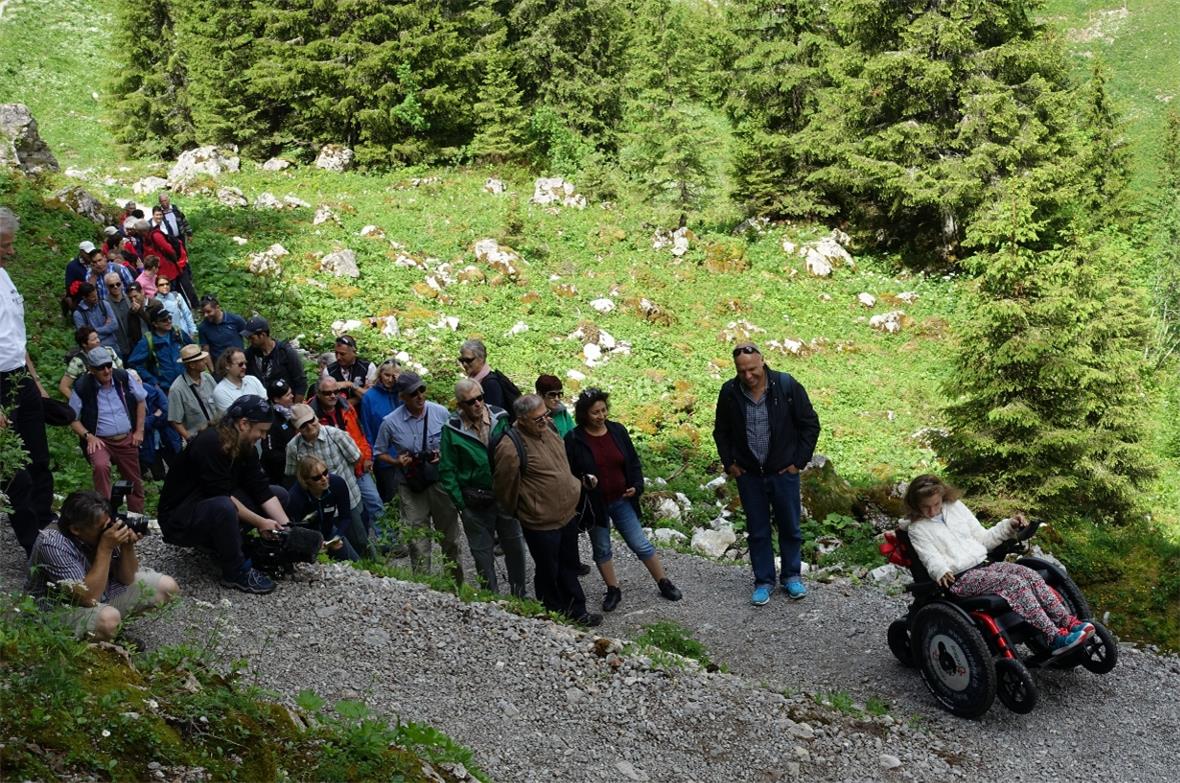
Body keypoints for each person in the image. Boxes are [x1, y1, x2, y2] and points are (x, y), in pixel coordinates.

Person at [902, 475, 1095, 655]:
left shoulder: (955, 507)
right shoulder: (917, 528)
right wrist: (940, 571)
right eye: (925, 507)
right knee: (1014, 584)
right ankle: (1054, 638)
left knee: (1029, 575)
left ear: (942, 496)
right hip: (960, 578)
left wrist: (1008, 526)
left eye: (936, 504)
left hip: (984, 565)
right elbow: (929, 556)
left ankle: (1068, 622)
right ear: (915, 505)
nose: (932, 511)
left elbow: (982, 538)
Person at [713, 342, 820, 606]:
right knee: (758, 531)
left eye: (752, 369)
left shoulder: (786, 386)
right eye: (742, 371)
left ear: (762, 361)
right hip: (749, 475)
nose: (748, 376)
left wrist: (799, 462)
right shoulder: (729, 392)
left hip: (783, 472)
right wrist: (730, 464)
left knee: (790, 527)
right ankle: (763, 581)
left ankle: (792, 577)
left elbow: (810, 424)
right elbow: (721, 431)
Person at [158, 395, 291, 594]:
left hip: (209, 505)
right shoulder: (211, 443)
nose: (263, 437)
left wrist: (287, 529)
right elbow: (223, 496)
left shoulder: (246, 447)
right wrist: (261, 522)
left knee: (279, 494)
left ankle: (224, 543)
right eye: (261, 431)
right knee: (225, 506)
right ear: (244, 424)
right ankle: (236, 571)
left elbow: (261, 490)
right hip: (179, 519)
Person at [566, 388, 682, 611]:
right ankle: (613, 589)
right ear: (584, 415)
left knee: (640, 543)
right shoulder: (574, 439)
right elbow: (568, 472)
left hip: (621, 499)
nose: (601, 416)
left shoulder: (617, 431)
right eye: (595, 412)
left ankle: (663, 582)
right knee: (602, 548)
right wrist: (582, 483)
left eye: (603, 410)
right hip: (595, 505)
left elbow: (633, 462)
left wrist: (637, 486)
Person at [493, 394, 600, 626]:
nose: (544, 420)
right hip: (540, 521)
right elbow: (505, 487)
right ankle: (553, 614)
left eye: (545, 415)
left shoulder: (549, 428)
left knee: (569, 565)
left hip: (567, 514)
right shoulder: (511, 446)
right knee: (548, 571)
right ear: (522, 419)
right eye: (537, 419)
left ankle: (576, 610)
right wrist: (525, 510)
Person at [25, 490, 179, 641]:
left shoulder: (101, 530)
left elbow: (127, 579)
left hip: (101, 593)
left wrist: (127, 545)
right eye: (102, 527)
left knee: (167, 587)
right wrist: (105, 548)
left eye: (109, 523)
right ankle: (99, 634)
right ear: (76, 529)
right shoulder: (52, 543)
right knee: (109, 620)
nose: (109, 529)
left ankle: (104, 630)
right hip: (57, 609)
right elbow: (88, 598)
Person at [1, 206, 56, 554]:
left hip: (19, 377)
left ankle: (47, 523)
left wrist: (35, 381)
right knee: (13, 468)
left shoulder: (4, 276)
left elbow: (14, 336)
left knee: (38, 455)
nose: (11, 250)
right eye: (4, 245)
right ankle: (32, 546)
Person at [439, 378, 526, 597]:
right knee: (482, 554)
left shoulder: (501, 418)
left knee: (514, 547)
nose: (477, 404)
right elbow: (447, 470)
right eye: (470, 402)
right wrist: (461, 505)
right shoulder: (452, 430)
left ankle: (520, 594)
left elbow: (517, 452)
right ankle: (492, 599)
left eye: (480, 398)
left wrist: (517, 489)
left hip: (505, 496)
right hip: (474, 502)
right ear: (460, 405)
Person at [373, 372, 464, 583]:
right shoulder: (390, 422)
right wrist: (397, 461)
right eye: (413, 393)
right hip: (410, 484)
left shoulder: (440, 412)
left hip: (439, 480)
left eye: (422, 390)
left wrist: (444, 453)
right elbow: (379, 452)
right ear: (402, 397)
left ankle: (456, 586)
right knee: (417, 539)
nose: (420, 396)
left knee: (451, 537)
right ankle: (425, 586)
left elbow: (454, 438)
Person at [67, 348, 147, 512]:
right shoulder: (83, 386)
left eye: (108, 365)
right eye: (101, 367)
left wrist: (139, 431)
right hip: (100, 440)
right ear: (91, 369)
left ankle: (136, 516)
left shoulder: (123, 377)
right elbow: (72, 418)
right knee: (101, 467)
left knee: (134, 479)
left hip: (126, 437)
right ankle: (106, 513)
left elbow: (141, 401)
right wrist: (88, 436)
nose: (106, 370)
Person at [285, 404, 367, 542]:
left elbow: (356, 457)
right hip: (318, 505)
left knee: (360, 541)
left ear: (316, 417)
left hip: (348, 498)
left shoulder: (336, 435)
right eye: (304, 425)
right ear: (297, 429)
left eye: (311, 421)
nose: (310, 426)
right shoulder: (293, 447)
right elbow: (293, 475)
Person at [310, 377, 384, 528]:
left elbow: (360, 433)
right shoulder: (310, 416)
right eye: (327, 393)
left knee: (374, 501)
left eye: (336, 391)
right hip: (334, 472)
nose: (333, 396)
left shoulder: (346, 406)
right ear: (318, 393)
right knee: (347, 510)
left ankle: (387, 545)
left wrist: (367, 456)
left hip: (358, 466)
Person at [285, 456, 367, 562]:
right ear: (306, 481)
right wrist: (312, 543)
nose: (324, 479)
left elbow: (345, 517)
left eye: (325, 473)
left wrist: (338, 536)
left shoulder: (337, 483)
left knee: (355, 562)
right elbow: (293, 528)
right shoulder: (295, 497)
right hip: (307, 537)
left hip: (329, 531)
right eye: (317, 478)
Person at [360, 359, 402, 501]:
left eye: (394, 376)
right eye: (387, 375)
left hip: (406, 453)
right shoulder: (369, 397)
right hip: (384, 456)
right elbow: (367, 429)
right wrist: (370, 455)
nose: (390, 380)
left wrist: (402, 385)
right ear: (380, 375)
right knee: (389, 496)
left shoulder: (402, 394)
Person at [242, 316, 307, 402]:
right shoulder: (249, 354)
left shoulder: (286, 353)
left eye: (251, 338)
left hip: (285, 403)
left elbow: (301, 382)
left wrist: (296, 407)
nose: (249, 341)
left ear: (263, 335)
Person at [127, 307, 191, 391]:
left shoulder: (178, 333)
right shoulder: (148, 341)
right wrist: (153, 381)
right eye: (164, 320)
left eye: (170, 318)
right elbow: (134, 364)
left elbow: (193, 349)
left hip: (187, 382)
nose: (169, 321)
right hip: (166, 388)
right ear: (155, 324)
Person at [458, 338, 521, 419]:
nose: (464, 364)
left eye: (468, 360)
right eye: (461, 360)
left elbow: (493, 417)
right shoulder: (476, 381)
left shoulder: (490, 384)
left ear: (481, 358)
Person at [167, 344, 217, 443]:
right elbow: (175, 420)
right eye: (201, 360)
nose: (205, 361)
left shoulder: (208, 378)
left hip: (218, 433)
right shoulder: (177, 389)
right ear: (192, 365)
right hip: (199, 439)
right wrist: (189, 438)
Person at [59, 326, 123, 398]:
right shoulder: (78, 362)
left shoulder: (109, 351)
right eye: (94, 339)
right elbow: (63, 387)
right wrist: (79, 403)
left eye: (97, 337)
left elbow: (121, 370)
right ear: (84, 344)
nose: (98, 340)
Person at [260, 378, 298, 486]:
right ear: (276, 399)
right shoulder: (270, 420)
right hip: (279, 474)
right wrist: (293, 456)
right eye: (287, 395)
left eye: (291, 393)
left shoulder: (290, 412)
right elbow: (270, 452)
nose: (292, 396)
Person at [212, 347, 267, 416]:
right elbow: (235, 419)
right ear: (227, 366)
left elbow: (266, 403)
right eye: (240, 364)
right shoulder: (221, 391)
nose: (244, 367)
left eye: (245, 363)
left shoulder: (253, 379)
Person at [196, 294, 246, 367]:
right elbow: (206, 352)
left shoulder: (236, 320)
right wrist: (213, 373)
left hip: (239, 365)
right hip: (220, 368)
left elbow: (250, 337)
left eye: (208, 311)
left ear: (217, 308)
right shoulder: (203, 327)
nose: (205, 315)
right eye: (203, 313)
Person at [322, 334, 376, 402]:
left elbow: (372, 398)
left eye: (342, 354)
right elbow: (327, 399)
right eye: (336, 353)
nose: (338, 357)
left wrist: (349, 384)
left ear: (354, 352)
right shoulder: (329, 371)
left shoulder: (368, 367)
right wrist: (360, 392)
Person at [72, 282, 120, 352]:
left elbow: (114, 325)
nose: (96, 298)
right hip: (95, 351)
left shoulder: (104, 304)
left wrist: (93, 330)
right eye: (93, 297)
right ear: (84, 298)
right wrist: (106, 328)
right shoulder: (78, 314)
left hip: (113, 346)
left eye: (96, 294)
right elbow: (84, 337)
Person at [102, 270, 135, 358]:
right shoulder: (104, 305)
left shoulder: (130, 299)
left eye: (118, 284)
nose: (115, 287)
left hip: (135, 344)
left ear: (122, 284)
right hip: (119, 348)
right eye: (112, 285)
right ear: (107, 287)